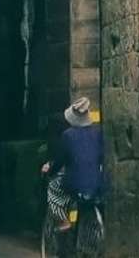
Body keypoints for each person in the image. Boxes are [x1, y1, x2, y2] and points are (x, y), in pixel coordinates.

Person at [41, 96, 106, 230]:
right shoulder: (97, 133)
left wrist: (50, 170)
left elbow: (60, 161)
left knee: (54, 188)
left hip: (75, 184)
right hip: (98, 184)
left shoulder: (68, 135)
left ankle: (64, 220)